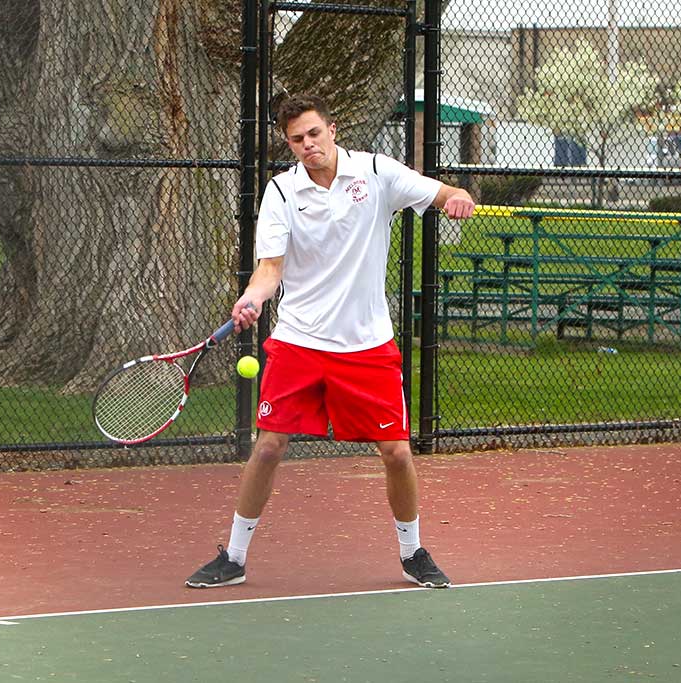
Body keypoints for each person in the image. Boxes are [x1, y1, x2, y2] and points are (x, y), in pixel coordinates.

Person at [185, 94, 475, 589]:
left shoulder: (376, 172)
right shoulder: (282, 191)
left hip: (367, 345)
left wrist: (457, 196)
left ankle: (413, 553)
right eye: (297, 139)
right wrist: (252, 298)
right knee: (268, 447)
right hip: (298, 342)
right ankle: (233, 557)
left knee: (397, 454)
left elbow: (441, 191)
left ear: (332, 129)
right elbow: (269, 269)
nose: (308, 145)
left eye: (314, 133)